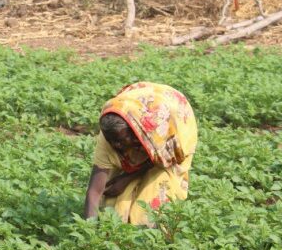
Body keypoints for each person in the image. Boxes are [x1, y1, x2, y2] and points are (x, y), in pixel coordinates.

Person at [83, 82, 197, 225]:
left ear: (134, 133)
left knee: (148, 209)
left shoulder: (156, 130)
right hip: (135, 110)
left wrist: (126, 178)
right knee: (112, 208)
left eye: (120, 140)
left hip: (175, 115)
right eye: (111, 140)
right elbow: (94, 191)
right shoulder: (108, 140)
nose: (115, 145)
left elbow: (163, 158)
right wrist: (88, 229)